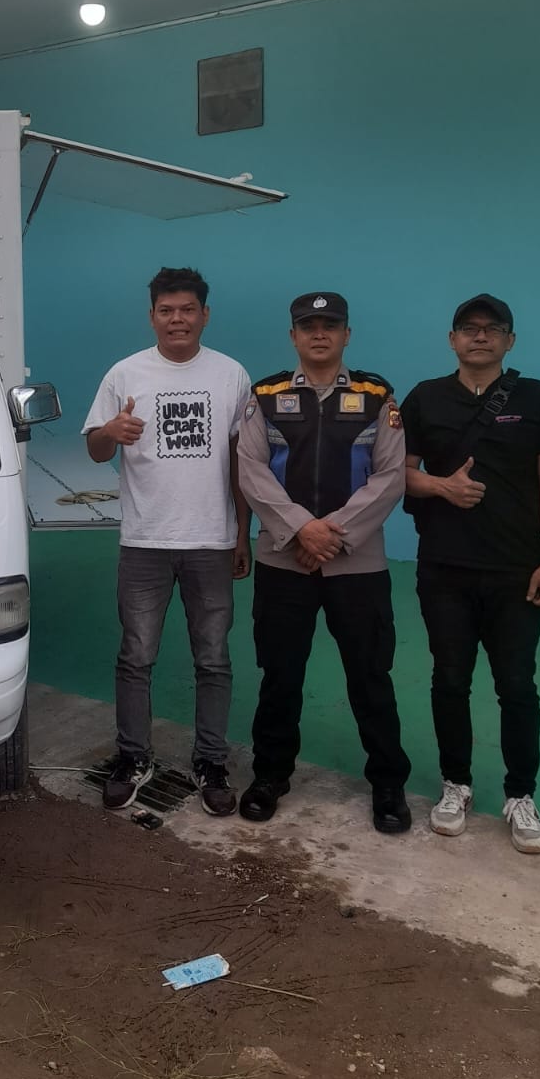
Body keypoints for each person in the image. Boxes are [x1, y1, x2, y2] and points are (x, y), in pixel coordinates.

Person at [400, 294, 540, 854]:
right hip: (444, 568)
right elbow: (398, 473)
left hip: (515, 569)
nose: (480, 336)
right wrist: (442, 487)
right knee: (450, 679)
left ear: (510, 341)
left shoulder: (538, 399)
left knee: (517, 685)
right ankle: (455, 785)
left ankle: (521, 795)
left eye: (492, 328)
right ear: (452, 339)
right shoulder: (425, 398)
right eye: (469, 328)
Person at [236, 292, 411, 833]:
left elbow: (390, 476)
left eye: (330, 325)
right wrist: (300, 529)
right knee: (280, 675)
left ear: (346, 335)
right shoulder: (265, 396)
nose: (319, 333)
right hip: (284, 560)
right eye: (308, 325)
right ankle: (270, 775)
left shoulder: (376, 396)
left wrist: (331, 535)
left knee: (370, 675)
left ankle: (388, 784)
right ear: (293, 335)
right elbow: (249, 469)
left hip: (356, 564)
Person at [83, 267, 252, 817]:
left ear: (205, 314)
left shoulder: (231, 375)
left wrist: (242, 533)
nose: (177, 320)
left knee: (214, 660)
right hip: (144, 542)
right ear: (152, 316)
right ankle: (133, 757)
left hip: (212, 541)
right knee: (135, 656)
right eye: (166, 311)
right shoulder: (124, 373)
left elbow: (243, 464)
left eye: (187, 310)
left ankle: (211, 762)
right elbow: (95, 451)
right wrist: (111, 433)